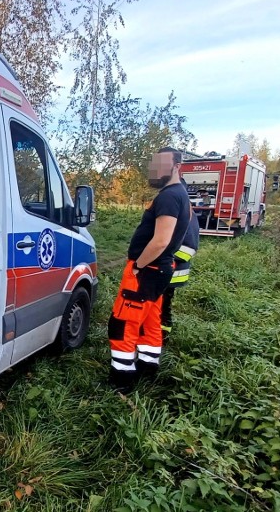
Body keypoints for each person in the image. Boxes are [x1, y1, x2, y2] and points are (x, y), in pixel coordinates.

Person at [107, 147, 191, 393]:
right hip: (160, 270)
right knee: (150, 321)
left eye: (162, 164)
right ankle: (147, 368)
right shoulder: (179, 194)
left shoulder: (168, 196)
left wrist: (139, 266)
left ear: (176, 166)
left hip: (148, 269)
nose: (156, 170)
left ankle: (121, 382)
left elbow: (161, 241)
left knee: (123, 323)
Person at [161, 181, 200, 341]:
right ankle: (159, 336)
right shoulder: (186, 212)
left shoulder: (185, 214)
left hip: (170, 271)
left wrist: (162, 256)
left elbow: (189, 248)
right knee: (163, 307)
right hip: (170, 271)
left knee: (162, 308)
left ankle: (160, 338)